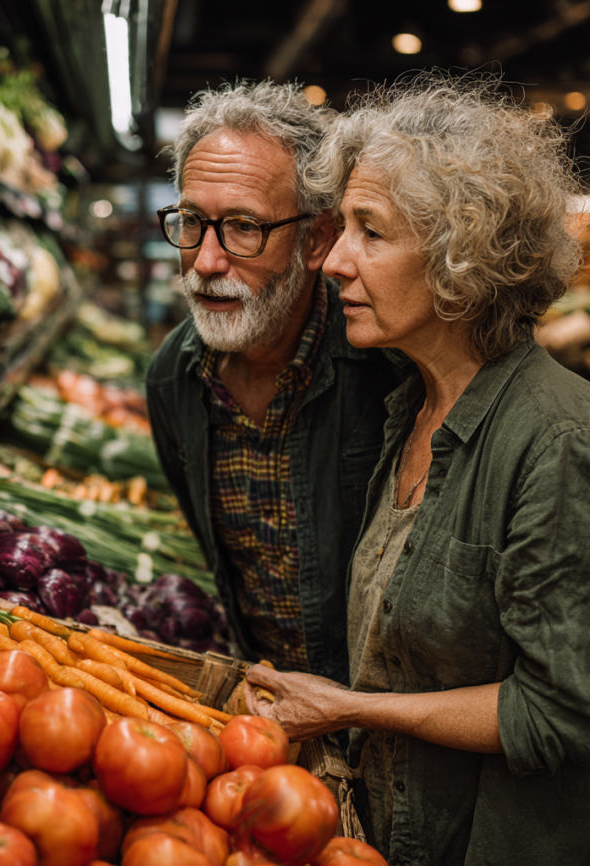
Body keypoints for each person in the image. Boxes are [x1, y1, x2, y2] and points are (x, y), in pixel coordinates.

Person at [244, 76, 590, 866]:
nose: (335, 262)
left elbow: (564, 712)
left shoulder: (559, 442)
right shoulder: (411, 412)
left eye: (370, 232)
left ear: (462, 257)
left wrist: (353, 709)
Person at [145, 81, 406, 684]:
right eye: (190, 222)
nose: (205, 262)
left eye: (242, 227)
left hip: (383, 719)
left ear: (315, 240)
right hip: (266, 719)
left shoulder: (389, 368)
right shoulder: (171, 382)